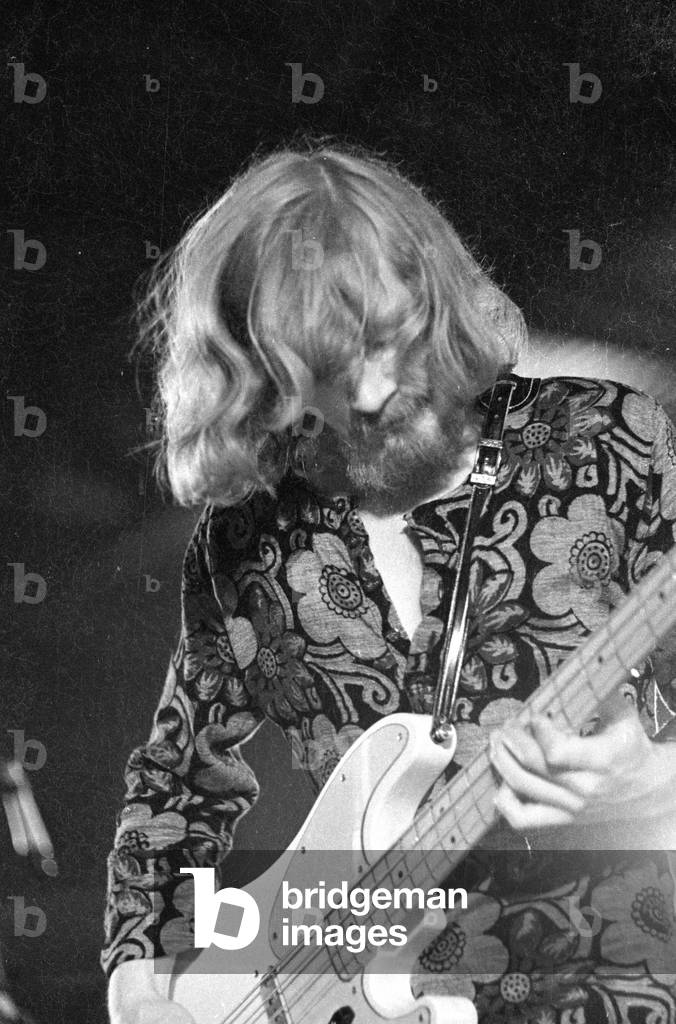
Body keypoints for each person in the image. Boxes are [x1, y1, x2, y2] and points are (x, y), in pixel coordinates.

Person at [102, 144, 676, 1024]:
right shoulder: (249, 540)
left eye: (387, 339)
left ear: (433, 294)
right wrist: (137, 978)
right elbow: (179, 781)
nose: (370, 392)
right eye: (322, 370)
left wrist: (641, 774)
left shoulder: (611, 443)